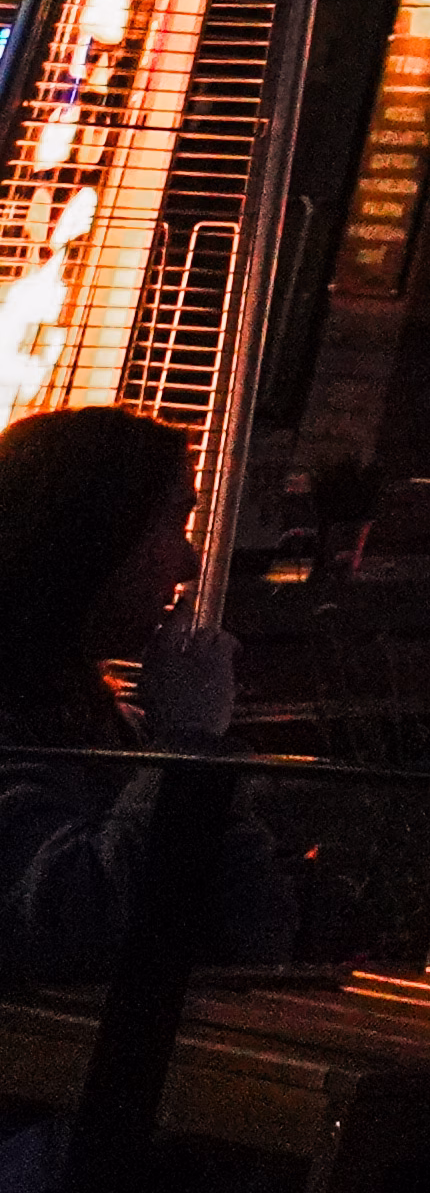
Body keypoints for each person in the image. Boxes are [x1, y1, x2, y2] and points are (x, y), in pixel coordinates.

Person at [0, 409, 285, 990]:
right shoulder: (17, 722)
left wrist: (190, 751)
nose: (191, 562)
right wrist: (189, 742)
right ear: (89, 537)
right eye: (173, 524)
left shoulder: (111, 723)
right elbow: (73, 930)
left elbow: (258, 930)